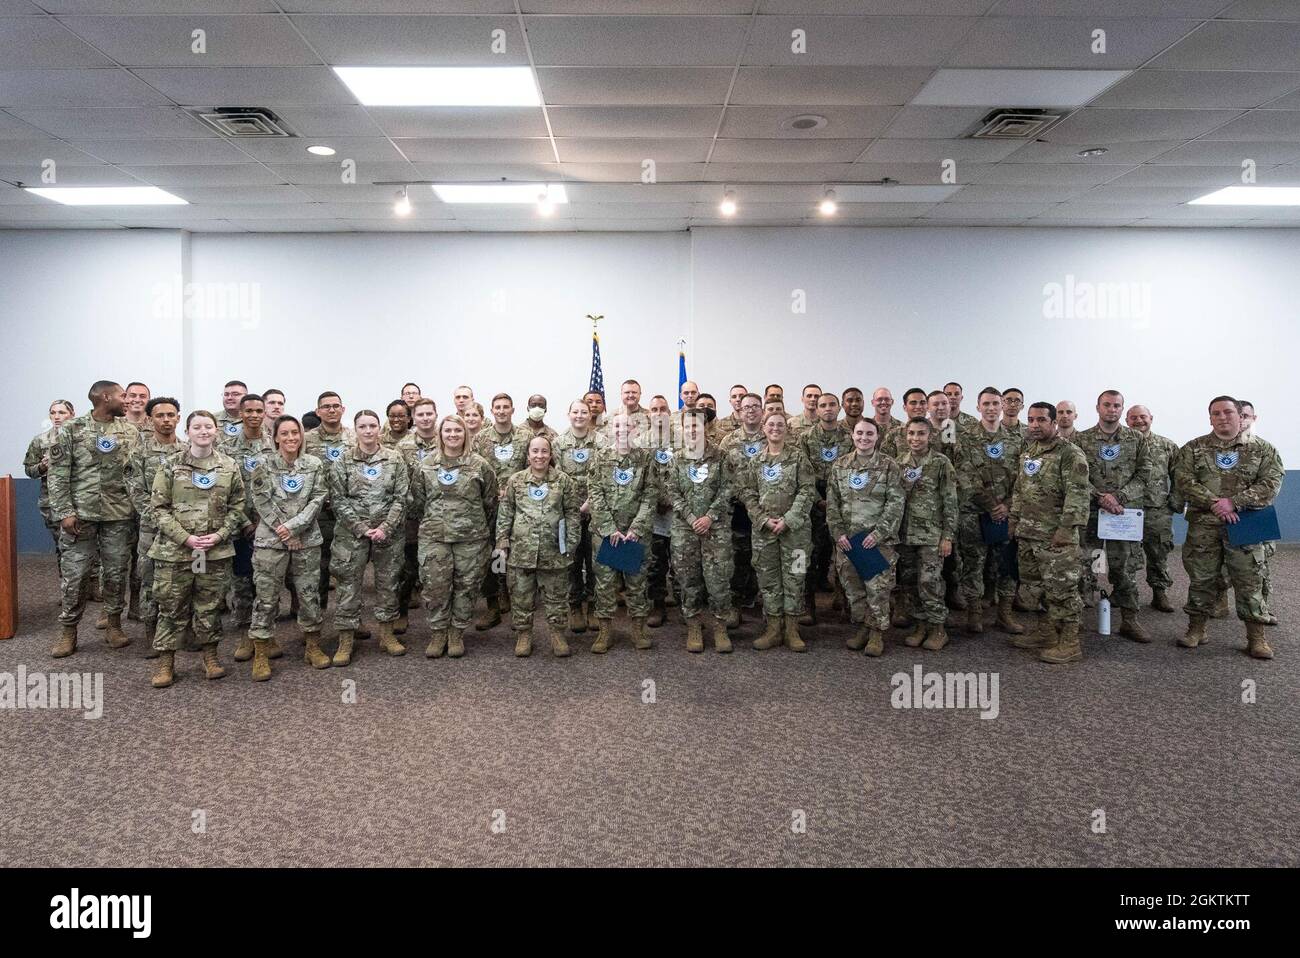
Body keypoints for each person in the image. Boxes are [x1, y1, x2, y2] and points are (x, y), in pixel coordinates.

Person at [1174, 396, 1283, 659]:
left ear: (1240, 415)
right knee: (1202, 580)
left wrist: (1234, 503)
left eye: (1228, 412)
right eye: (1216, 413)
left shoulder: (1263, 449)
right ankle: (1196, 630)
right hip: (1204, 526)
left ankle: (1256, 638)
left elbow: (1271, 483)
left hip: (1246, 524)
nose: (1222, 417)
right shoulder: (1193, 448)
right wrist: (1215, 503)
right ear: (1209, 418)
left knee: (1249, 581)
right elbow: (1183, 480)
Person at [146, 410, 246, 688]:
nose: (203, 431)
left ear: (216, 430)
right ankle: (166, 664)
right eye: (197, 427)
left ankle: (210, 658)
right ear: (188, 431)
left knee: (209, 606)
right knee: (172, 607)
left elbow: (238, 507)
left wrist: (221, 534)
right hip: (177, 551)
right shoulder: (171, 465)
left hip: (214, 551)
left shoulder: (228, 466)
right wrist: (185, 538)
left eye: (208, 426)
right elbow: (158, 509)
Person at [47, 381, 138, 658]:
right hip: (81, 516)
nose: (127, 401)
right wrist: (65, 512)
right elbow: (58, 474)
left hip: (118, 515)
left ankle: (113, 625)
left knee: (115, 573)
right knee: (75, 576)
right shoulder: (72, 431)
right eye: (123, 396)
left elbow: (134, 473)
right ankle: (68, 630)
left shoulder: (129, 431)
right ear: (105, 397)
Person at [245, 414, 327, 680]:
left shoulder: (314, 464)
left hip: (305, 539)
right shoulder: (263, 465)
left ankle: (312, 646)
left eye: (296, 433)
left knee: (309, 594)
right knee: (267, 598)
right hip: (271, 540)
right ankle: (260, 651)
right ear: (276, 437)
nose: (291, 438)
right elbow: (261, 501)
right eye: (285, 433)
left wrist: (296, 527)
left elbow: (318, 498)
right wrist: (284, 530)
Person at [410, 414, 497, 659]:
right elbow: (417, 501)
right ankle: (438, 632)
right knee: (435, 586)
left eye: (458, 431)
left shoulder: (479, 465)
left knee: (467, 586)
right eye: (448, 431)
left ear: (465, 435)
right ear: (440, 435)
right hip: (434, 536)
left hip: (471, 538)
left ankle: (457, 632)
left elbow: (490, 501)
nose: (453, 435)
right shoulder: (426, 464)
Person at [1009, 402, 1091, 663]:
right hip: (1028, 532)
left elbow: (1078, 495)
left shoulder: (1070, 453)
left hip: (1055, 536)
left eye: (1041, 420)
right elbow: (1020, 489)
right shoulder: (1029, 451)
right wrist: (1013, 519)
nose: (1034, 425)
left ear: (1054, 423)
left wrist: (1066, 530)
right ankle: (1046, 632)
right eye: (1031, 420)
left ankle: (1070, 643)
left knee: (1062, 590)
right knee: (1036, 588)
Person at [327, 410, 410, 663]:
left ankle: (386, 634)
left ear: (379, 429)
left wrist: (386, 527)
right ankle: (346, 639)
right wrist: (361, 527)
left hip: (389, 533)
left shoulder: (394, 459)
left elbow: (401, 497)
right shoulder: (343, 460)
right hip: (351, 534)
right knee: (348, 585)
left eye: (372, 425)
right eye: (362, 426)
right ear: (355, 429)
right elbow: (337, 499)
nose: (368, 430)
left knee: (388, 584)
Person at [1074, 389, 1151, 642]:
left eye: (1117, 405)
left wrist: (1119, 498)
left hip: (1122, 515)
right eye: (1107, 405)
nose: (1112, 409)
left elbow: (1144, 475)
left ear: (1122, 409)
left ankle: (1130, 620)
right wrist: (1101, 497)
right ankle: (1075, 621)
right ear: (1097, 408)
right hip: (1091, 513)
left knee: (1124, 567)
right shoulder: (1081, 440)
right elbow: (1075, 477)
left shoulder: (1136, 439)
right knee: (1086, 564)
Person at [736, 411, 816, 652]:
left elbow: (807, 490)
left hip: (796, 532)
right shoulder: (755, 462)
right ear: (763, 428)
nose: (775, 428)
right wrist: (762, 519)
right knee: (768, 580)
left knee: (795, 577)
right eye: (771, 424)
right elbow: (747, 493)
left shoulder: (799, 458)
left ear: (786, 429)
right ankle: (773, 629)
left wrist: (789, 519)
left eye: (780, 424)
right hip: (764, 533)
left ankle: (792, 630)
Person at [497, 435, 582, 657]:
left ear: (551, 455)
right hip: (521, 550)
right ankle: (524, 634)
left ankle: (557, 634)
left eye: (544, 451)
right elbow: (506, 513)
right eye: (535, 451)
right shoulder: (515, 481)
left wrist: (571, 543)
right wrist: (502, 542)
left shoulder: (563, 481)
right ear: (527, 455)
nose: (539, 456)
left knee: (556, 596)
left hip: (554, 550)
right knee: (521, 595)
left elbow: (573, 513)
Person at [827, 419, 905, 657]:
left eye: (869, 433)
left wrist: (879, 533)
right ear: (852, 436)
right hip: (848, 541)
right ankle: (863, 626)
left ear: (877, 436)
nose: (864, 437)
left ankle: (876, 634)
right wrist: (838, 533)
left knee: (878, 589)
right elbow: (832, 503)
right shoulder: (840, 466)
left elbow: (896, 503)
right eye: (859, 433)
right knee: (854, 589)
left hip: (876, 542)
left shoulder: (889, 466)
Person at [953, 387, 1024, 635]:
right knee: (973, 563)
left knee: (1006, 563)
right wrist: (992, 505)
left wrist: (1007, 506)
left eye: (996, 403)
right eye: (986, 404)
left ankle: (1004, 614)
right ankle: (974, 612)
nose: (992, 408)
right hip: (975, 512)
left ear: (1003, 406)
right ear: (978, 407)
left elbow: (1024, 477)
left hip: (1007, 512)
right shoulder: (965, 437)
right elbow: (965, 476)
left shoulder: (1018, 439)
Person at [588, 412, 657, 653]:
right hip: (606, 534)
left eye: (627, 425)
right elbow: (595, 494)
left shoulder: (645, 459)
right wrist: (609, 529)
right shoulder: (601, 457)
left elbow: (650, 495)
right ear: (610, 429)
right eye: (617, 425)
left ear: (635, 430)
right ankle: (604, 631)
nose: (621, 430)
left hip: (634, 535)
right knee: (605, 584)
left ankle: (638, 630)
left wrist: (636, 529)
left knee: (636, 583)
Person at [666, 411, 733, 653]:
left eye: (697, 425)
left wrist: (709, 517)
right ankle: (694, 625)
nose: (692, 430)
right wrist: (693, 518)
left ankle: (719, 626)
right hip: (686, 529)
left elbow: (728, 490)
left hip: (716, 529)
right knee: (688, 580)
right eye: (688, 426)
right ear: (682, 429)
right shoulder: (676, 460)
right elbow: (672, 492)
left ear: (706, 427)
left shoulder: (721, 456)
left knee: (718, 580)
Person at [123, 396, 183, 658]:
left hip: (183, 530)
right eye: (160, 415)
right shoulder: (139, 452)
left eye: (171, 415)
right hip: (152, 528)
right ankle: (151, 632)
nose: (166, 420)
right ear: (150, 419)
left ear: (179, 418)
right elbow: (135, 490)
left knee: (183, 581)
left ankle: (184, 630)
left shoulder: (189, 450)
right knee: (150, 580)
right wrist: (160, 519)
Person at [894, 418, 958, 651]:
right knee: (910, 582)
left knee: (930, 582)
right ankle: (920, 625)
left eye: (921, 433)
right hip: (904, 534)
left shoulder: (941, 463)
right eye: (911, 433)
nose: (915, 438)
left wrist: (948, 536)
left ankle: (937, 628)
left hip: (932, 535)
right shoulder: (899, 463)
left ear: (930, 436)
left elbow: (950, 501)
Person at [473, 392, 531, 629]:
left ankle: (517, 606)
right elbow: (474, 470)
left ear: (513, 410)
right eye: (497, 407)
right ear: (492, 410)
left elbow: (534, 468)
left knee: (516, 555)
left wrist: (514, 491)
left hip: (518, 506)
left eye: (506, 406)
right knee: (493, 554)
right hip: (489, 505)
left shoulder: (525, 437)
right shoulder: (480, 438)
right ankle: (493, 605)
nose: (501, 410)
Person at [218, 393, 270, 640]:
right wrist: (245, 521)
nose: (254, 416)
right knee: (240, 572)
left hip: (269, 520)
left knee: (266, 572)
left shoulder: (275, 444)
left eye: (259, 411)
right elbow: (223, 489)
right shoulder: (225, 447)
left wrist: (262, 520)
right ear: (240, 414)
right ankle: (242, 617)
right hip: (237, 519)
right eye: (248, 411)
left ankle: (265, 621)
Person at [799, 390, 853, 624]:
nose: (828, 408)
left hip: (844, 503)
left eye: (832, 404)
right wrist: (818, 499)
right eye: (823, 405)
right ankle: (807, 604)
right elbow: (802, 474)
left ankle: (846, 600)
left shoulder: (851, 437)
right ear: (817, 410)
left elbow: (856, 471)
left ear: (839, 408)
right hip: (815, 504)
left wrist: (838, 500)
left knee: (847, 554)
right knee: (808, 555)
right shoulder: (806, 437)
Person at [1125, 404, 1181, 614]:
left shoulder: (1167, 445)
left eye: (1143, 417)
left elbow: (1179, 476)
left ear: (1151, 418)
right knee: (1126, 554)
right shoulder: (1121, 445)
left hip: (1157, 510)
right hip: (1127, 509)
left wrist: (1173, 504)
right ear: (1126, 420)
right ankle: (1124, 592)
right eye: (1133, 418)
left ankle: (1160, 593)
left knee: (1158, 552)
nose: (1139, 421)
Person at [553, 399, 603, 634]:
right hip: (568, 511)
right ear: (568, 414)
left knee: (595, 561)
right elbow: (556, 478)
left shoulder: (601, 441)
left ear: (589, 414)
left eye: (584, 412)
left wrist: (589, 504)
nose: (580, 416)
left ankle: (593, 606)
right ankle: (574, 607)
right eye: (576, 412)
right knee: (571, 561)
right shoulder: (558, 443)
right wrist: (574, 507)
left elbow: (604, 477)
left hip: (596, 510)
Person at [304, 391, 354, 616]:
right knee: (319, 568)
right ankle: (318, 618)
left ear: (343, 409)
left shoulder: (355, 437)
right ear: (318, 411)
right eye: (326, 406)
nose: (331, 410)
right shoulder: (306, 439)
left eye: (336, 406)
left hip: (349, 513)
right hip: (319, 514)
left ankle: (350, 617)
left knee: (349, 566)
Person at [720, 392, 766, 625]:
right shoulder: (729, 441)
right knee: (738, 557)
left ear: (762, 410)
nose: (750, 410)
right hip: (737, 509)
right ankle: (735, 605)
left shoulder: (772, 437)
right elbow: (721, 476)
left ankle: (765, 605)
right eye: (746, 407)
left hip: (766, 509)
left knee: (763, 557)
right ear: (739, 411)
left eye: (755, 406)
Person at [396, 398, 440, 633]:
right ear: (414, 417)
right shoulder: (403, 446)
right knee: (408, 568)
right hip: (411, 516)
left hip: (439, 514)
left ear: (435, 415)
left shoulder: (446, 440)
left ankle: (441, 619)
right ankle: (401, 613)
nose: (425, 418)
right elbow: (397, 481)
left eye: (429, 414)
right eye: (420, 414)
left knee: (438, 568)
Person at [24, 399, 75, 556]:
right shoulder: (40, 440)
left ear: (72, 415)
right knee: (62, 546)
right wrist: (42, 467)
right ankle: (64, 579)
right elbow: (29, 470)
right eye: (53, 413)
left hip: (79, 499)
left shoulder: (80, 439)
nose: (57, 417)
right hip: (51, 502)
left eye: (62, 412)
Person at [644, 395, 677, 628]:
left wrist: (674, 499)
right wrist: (654, 500)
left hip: (678, 511)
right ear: (648, 413)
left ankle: (688, 609)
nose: (658, 413)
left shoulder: (685, 440)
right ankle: (657, 606)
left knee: (682, 562)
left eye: (662, 409)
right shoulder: (640, 441)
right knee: (655, 562)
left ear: (669, 412)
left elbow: (691, 474)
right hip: (652, 511)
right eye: (654, 409)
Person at [881, 388, 928, 459]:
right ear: (905, 407)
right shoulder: (894, 435)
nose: (918, 406)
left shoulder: (937, 434)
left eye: (922, 403)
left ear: (927, 406)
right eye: (913, 403)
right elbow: (884, 464)